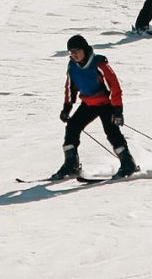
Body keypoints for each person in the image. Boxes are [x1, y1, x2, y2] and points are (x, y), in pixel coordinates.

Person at [54, 35, 137, 180]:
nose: (74, 54)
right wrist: (67, 108)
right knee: (72, 127)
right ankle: (71, 164)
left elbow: (114, 87)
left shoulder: (99, 64)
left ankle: (127, 163)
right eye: (71, 52)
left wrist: (117, 110)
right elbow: (70, 88)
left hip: (106, 104)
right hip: (89, 103)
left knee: (111, 131)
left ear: (84, 49)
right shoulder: (72, 67)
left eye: (77, 51)